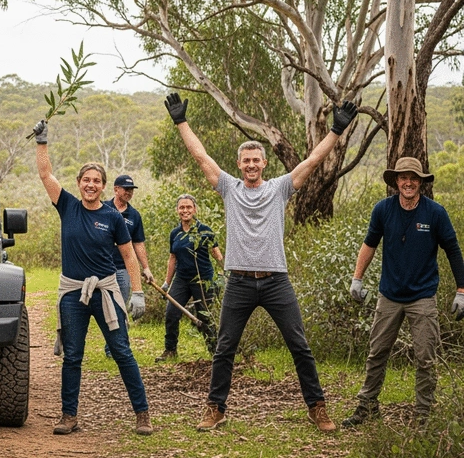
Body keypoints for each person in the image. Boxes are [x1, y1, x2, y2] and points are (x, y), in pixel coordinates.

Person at [164, 92, 358, 433]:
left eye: (257, 160)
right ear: (239, 164)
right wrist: (181, 121)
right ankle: (216, 408)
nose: (251, 165)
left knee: (299, 344)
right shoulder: (228, 188)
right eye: (246, 161)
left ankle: (317, 407)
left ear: (264, 164)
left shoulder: (280, 188)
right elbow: (200, 156)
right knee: (225, 348)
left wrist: (336, 131)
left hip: (275, 281)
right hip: (238, 281)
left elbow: (312, 161)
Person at [32, 118, 153, 436]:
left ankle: (142, 415)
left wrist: (136, 292)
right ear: (79, 182)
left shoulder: (113, 217)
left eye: (96, 181)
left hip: (106, 292)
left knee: (122, 352)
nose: (90, 185)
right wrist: (42, 142)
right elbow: (46, 174)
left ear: (103, 186)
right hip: (72, 293)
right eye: (86, 180)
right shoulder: (67, 206)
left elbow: (128, 257)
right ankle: (69, 417)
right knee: (73, 356)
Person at [342, 157, 464, 427]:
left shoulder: (435, 213)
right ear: (395, 181)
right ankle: (367, 406)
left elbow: (453, 250)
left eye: (413, 178)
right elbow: (369, 245)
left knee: (425, 357)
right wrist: (356, 279)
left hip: (422, 296)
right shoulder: (383, 210)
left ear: (421, 182)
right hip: (390, 295)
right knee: (377, 352)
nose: (408, 182)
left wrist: (461, 290)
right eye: (403, 177)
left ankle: (423, 414)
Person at [156, 193, 224, 361]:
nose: (185, 210)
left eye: (188, 207)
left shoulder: (205, 230)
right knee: (171, 313)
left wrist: (226, 274)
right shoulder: (175, 233)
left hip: (203, 280)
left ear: (195, 209)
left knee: (205, 316)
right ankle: (170, 350)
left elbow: (216, 254)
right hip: (181, 279)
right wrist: (166, 283)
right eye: (181, 207)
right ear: (177, 210)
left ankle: (215, 352)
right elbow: (172, 258)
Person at [102, 174, 153, 357]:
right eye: (126, 189)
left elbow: (138, 244)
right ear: (116, 189)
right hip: (100, 269)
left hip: (123, 269)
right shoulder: (103, 208)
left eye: (131, 189)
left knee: (119, 308)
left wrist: (145, 267)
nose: (129, 192)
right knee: (102, 309)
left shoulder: (134, 216)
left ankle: (114, 348)